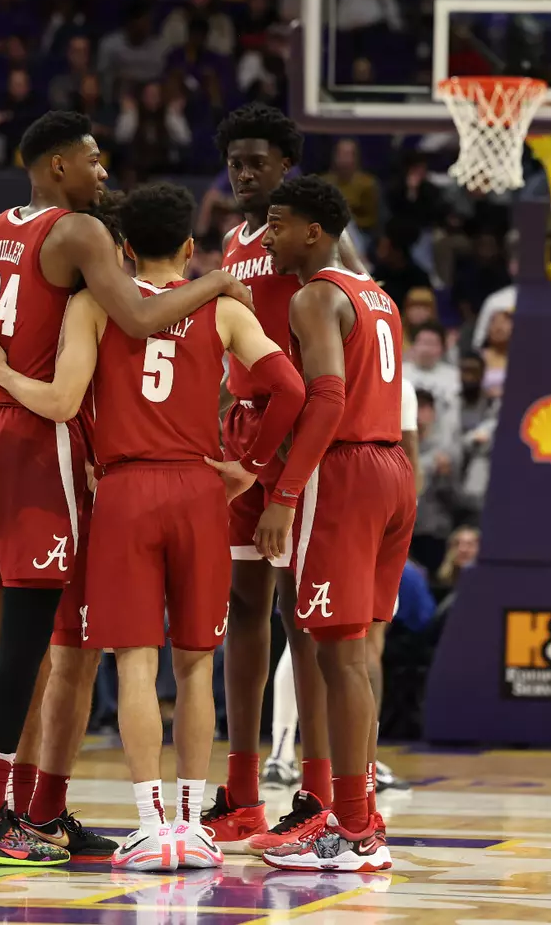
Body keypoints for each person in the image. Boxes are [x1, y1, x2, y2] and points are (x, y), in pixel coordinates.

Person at [0, 180, 304, 871]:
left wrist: (0, 373)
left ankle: (151, 826)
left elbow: (62, 401)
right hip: (198, 490)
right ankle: (193, 823)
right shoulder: (219, 307)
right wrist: (250, 466)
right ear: (190, 247)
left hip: (124, 491)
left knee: (134, 667)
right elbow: (291, 390)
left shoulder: (96, 304)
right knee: (196, 666)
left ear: (120, 249)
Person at [214, 174, 408, 873]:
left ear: (315, 233)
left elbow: (326, 398)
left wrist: (283, 491)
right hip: (391, 471)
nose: (268, 238)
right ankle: (356, 819)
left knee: (338, 657)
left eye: (280, 225)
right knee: (349, 654)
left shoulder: (313, 296)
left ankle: (349, 827)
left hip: (346, 474)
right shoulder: (377, 295)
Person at [200, 105, 365, 856]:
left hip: (302, 436)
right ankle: (240, 792)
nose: (245, 173)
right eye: (235, 161)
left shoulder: (326, 245)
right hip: (244, 429)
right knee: (243, 605)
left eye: (258, 161)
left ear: (286, 167)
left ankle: (318, 792)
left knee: (309, 616)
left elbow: (360, 320)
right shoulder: (233, 243)